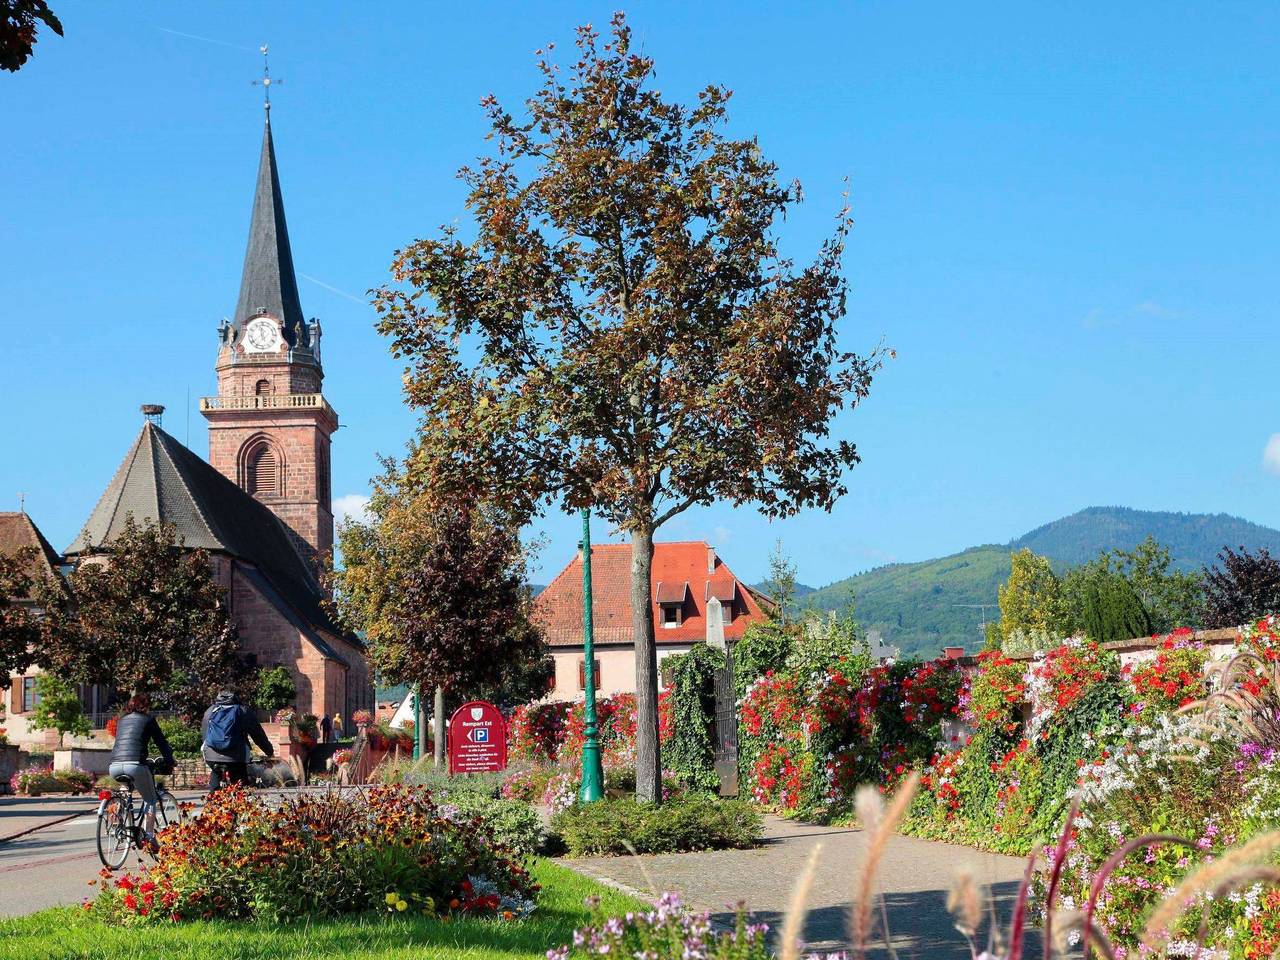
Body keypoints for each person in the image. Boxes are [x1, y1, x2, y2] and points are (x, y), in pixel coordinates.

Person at [108, 692, 175, 850]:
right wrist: (170, 760)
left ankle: (118, 817)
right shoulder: (148, 720)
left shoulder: (122, 720)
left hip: (114, 765)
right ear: (145, 706)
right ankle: (149, 837)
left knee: (125, 789)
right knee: (150, 799)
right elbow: (161, 743)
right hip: (135, 764)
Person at [201, 689, 274, 792]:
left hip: (212, 754)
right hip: (236, 756)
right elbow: (258, 735)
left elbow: (205, 735)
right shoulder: (243, 711)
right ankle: (240, 798)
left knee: (216, 772)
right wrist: (269, 751)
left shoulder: (210, 711)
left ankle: (212, 797)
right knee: (240, 785)